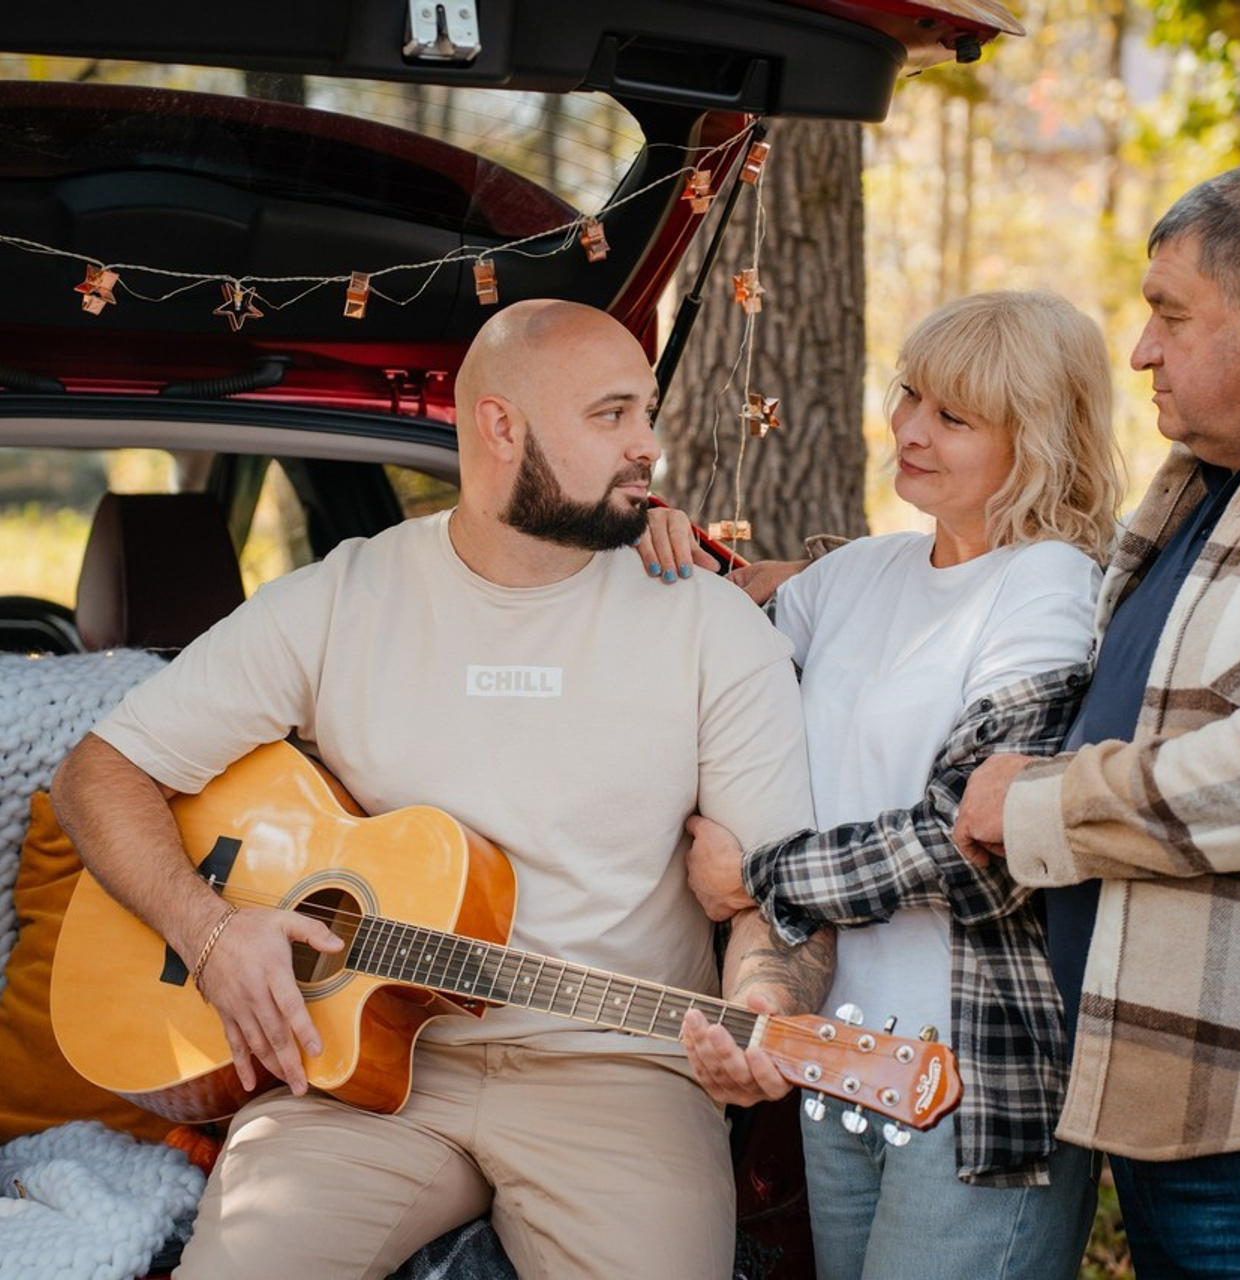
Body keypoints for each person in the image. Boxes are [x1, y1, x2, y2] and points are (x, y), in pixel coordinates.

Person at [49, 299, 835, 1280]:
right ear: (502, 426)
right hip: (356, 1071)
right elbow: (102, 768)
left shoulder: (711, 630)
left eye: (646, 412)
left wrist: (758, 1012)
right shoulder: (342, 596)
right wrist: (208, 931)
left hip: (619, 1075)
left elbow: (782, 897)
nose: (649, 446)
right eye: (612, 414)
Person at [647, 290, 1125, 1279]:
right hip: (838, 1056)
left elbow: (979, 845)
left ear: (1032, 437)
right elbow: (709, 680)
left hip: (974, 1078)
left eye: (951, 416)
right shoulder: (860, 573)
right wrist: (642, 543)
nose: (906, 427)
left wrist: (762, 875)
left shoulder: (1047, 584)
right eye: (909, 394)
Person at [953, 161, 1240, 1276]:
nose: (1139, 349)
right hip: (1162, 1094)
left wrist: (1035, 803)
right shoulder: (1207, 483)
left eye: (1167, 313)